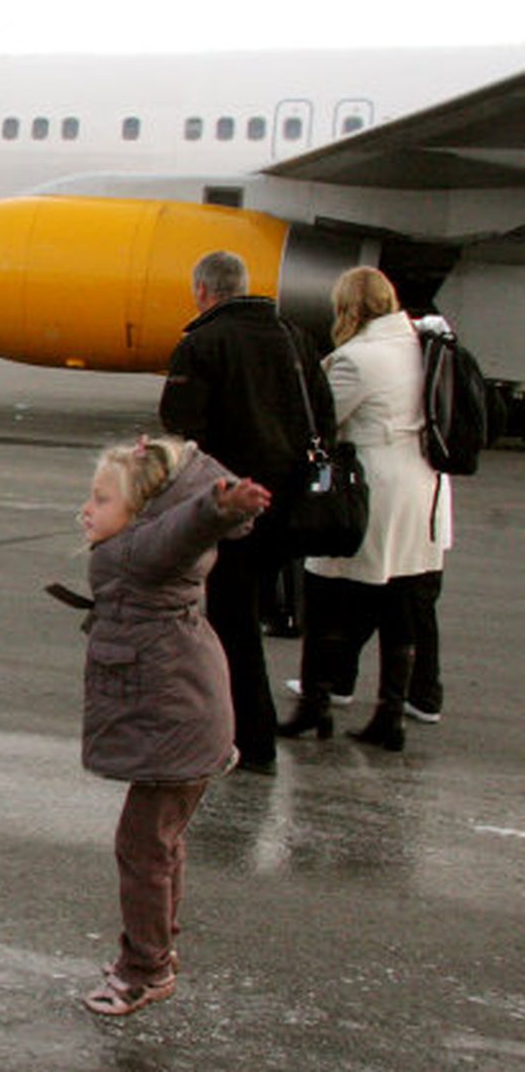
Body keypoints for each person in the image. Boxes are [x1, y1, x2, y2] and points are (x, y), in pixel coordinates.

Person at [75, 436, 270, 1017]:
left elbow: (178, 531)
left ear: (140, 515)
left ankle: (146, 968)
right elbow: (176, 525)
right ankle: (156, 950)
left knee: (143, 847)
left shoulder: (146, 549)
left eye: (102, 499)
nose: (88, 509)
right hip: (185, 715)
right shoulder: (140, 547)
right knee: (158, 843)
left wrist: (214, 509)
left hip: (178, 721)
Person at [158, 250, 331, 775]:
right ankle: (306, 707)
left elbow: (181, 427)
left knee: (230, 624)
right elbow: (324, 414)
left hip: (230, 504)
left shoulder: (202, 344)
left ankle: (249, 740)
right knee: (269, 610)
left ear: (204, 292)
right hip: (291, 501)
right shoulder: (295, 337)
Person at [278, 267, 450, 752]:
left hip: (371, 486)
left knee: (326, 586)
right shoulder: (421, 345)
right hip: (420, 487)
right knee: (401, 599)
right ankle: (390, 712)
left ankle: (316, 702)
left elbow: (321, 421)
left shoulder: (358, 359)